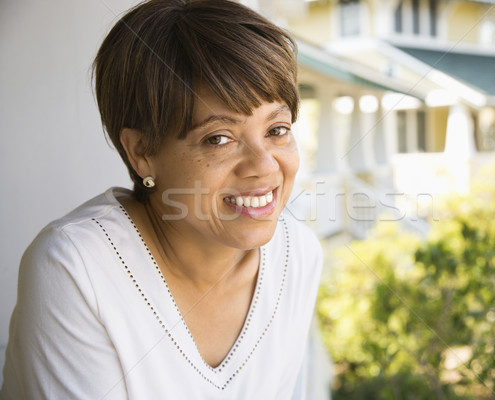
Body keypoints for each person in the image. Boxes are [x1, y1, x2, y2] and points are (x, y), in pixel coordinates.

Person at [0, 0, 322, 398]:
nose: (263, 166)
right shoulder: (76, 267)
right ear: (141, 152)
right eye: (218, 138)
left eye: (277, 129)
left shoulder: (300, 254)